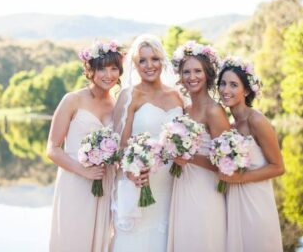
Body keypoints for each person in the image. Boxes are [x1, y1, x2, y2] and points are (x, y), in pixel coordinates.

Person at [47, 39, 124, 252]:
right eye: (102, 69)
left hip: (104, 182)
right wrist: (84, 171)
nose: (108, 75)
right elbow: (52, 149)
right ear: (90, 70)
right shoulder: (72, 100)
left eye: (114, 68)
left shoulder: (118, 106)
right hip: (75, 181)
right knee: (73, 239)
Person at [111, 34, 184, 251]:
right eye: (142, 60)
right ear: (134, 64)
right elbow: (119, 147)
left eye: (154, 58)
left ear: (163, 61)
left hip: (171, 185)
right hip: (140, 183)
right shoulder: (130, 95)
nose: (149, 65)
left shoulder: (178, 96)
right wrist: (130, 171)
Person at [167, 40, 230, 252]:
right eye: (186, 72)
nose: (191, 77)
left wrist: (189, 158)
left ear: (207, 74)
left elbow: (226, 165)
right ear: (180, 76)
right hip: (182, 184)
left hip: (205, 189)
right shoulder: (184, 109)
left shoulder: (214, 111)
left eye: (197, 71)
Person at [217, 56, 284, 252]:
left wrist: (240, 178)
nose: (225, 90)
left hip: (256, 203)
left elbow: (278, 167)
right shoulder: (229, 125)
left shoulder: (257, 120)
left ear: (246, 90)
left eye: (233, 85)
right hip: (234, 200)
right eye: (222, 83)